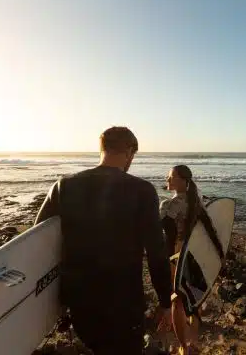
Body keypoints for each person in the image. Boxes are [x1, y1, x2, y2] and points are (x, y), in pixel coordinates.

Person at [34, 126, 173, 355]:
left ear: (102, 148)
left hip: (79, 300)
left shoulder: (64, 186)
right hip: (123, 301)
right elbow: (157, 252)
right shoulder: (142, 190)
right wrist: (165, 301)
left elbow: (39, 239)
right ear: (129, 152)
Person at [159, 165, 224, 355]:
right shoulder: (197, 202)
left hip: (175, 257)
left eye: (171, 177)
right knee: (193, 298)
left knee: (176, 300)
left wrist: (164, 262)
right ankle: (193, 341)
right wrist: (220, 255)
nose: (167, 179)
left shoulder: (168, 205)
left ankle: (183, 347)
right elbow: (211, 230)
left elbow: (167, 239)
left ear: (183, 181)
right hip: (194, 256)